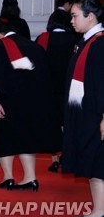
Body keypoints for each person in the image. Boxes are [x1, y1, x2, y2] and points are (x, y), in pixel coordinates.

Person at [0, 21, 61, 192]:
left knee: (4, 137)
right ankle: (30, 178)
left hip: (7, 101)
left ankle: (8, 177)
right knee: (27, 138)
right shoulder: (34, 46)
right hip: (34, 102)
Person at [62, 0, 104, 217]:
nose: (71, 21)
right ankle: (99, 207)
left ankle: (99, 210)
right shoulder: (87, 41)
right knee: (92, 158)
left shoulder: (99, 43)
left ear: (91, 16)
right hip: (86, 112)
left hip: (95, 114)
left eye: (75, 16)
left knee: (97, 160)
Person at [35, 10, 77, 173]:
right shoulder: (75, 39)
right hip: (69, 88)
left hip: (48, 88)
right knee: (66, 123)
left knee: (53, 123)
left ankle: (54, 158)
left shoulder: (43, 38)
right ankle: (67, 155)